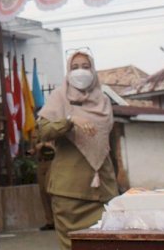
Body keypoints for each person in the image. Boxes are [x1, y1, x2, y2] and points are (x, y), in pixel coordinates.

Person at [36, 49, 118, 250]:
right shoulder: (59, 97)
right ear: (68, 71)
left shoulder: (104, 100)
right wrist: (70, 120)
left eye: (85, 67)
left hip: (103, 190)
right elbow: (43, 131)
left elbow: (108, 142)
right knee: (73, 245)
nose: (80, 72)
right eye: (74, 67)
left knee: (105, 244)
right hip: (70, 191)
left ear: (93, 70)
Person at [28, 123, 55, 231]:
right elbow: (31, 151)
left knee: (50, 191)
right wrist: (34, 150)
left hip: (52, 162)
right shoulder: (36, 134)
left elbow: (59, 149)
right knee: (43, 192)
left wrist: (47, 145)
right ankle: (49, 221)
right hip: (41, 162)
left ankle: (57, 219)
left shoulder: (53, 131)